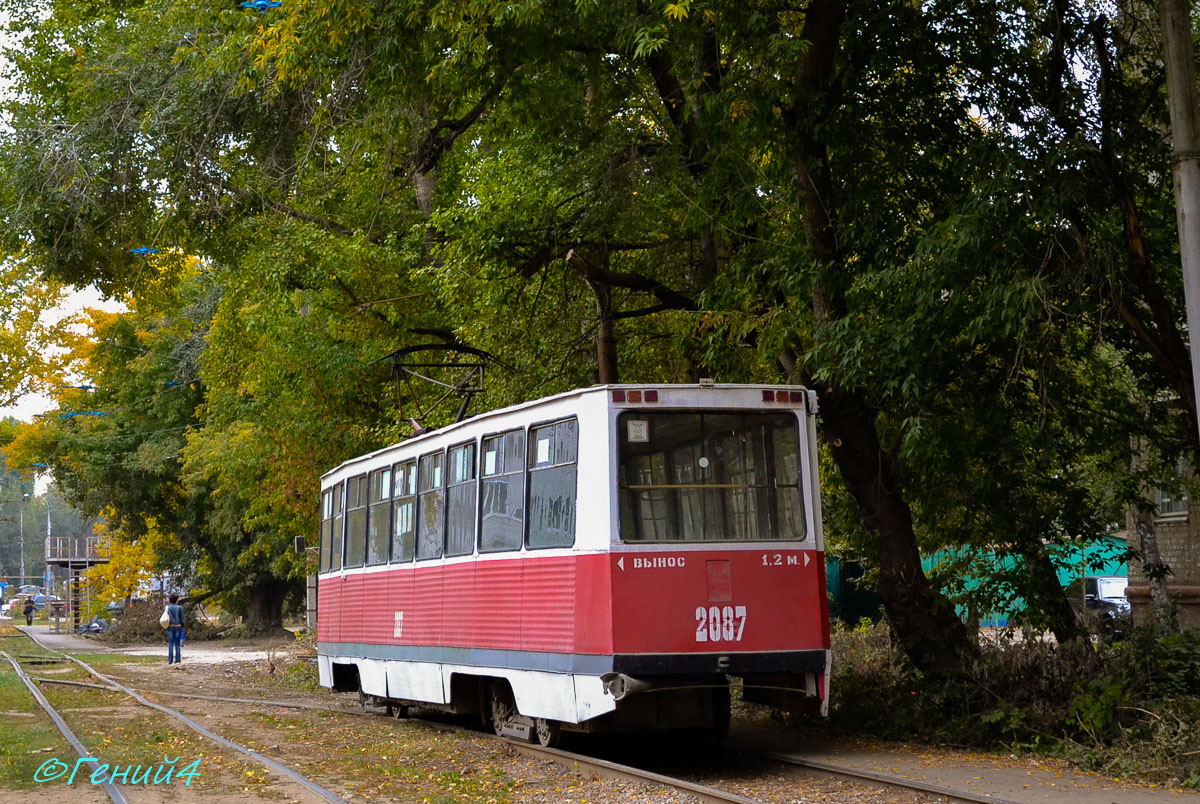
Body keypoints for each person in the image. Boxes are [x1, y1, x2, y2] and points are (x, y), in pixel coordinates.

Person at [165, 594, 185, 665]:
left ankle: (170, 661)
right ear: (176, 600)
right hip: (178, 626)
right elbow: (182, 618)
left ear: (170, 600)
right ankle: (178, 660)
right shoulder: (180, 608)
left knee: (170, 643)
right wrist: (183, 625)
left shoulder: (167, 608)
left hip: (170, 626)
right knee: (177, 643)